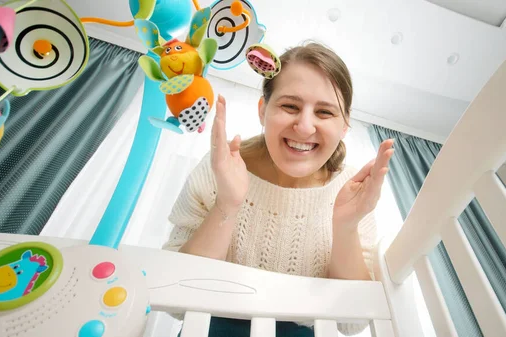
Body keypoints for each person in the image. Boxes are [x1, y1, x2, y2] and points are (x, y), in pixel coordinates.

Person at [164, 42, 394, 337]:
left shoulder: (353, 193)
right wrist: (226, 205)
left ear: (345, 126)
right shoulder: (219, 169)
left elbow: (351, 324)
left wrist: (346, 226)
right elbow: (176, 301)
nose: (304, 127)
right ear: (263, 110)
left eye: (324, 112)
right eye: (290, 106)